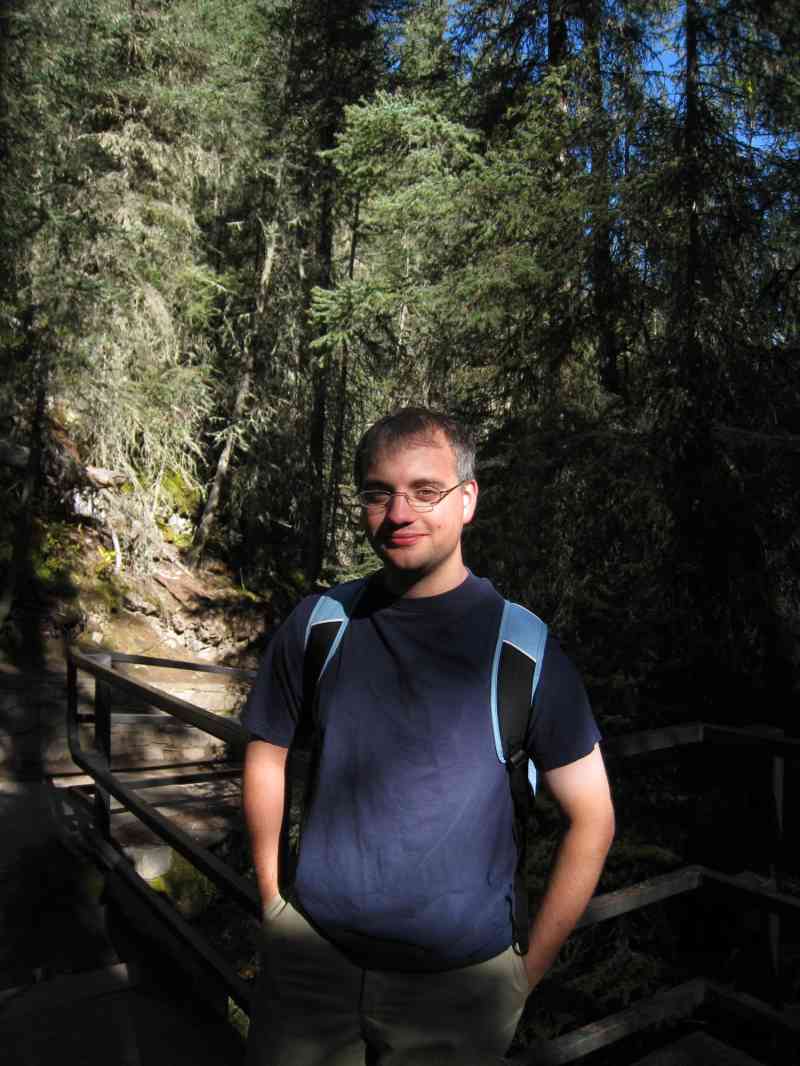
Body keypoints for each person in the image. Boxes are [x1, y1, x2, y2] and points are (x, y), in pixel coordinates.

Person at [242, 407, 614, 1066]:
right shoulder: (321, 624)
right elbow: (267, 751)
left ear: (467, 500)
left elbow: (593, 817)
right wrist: (273, 900)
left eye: (425, 491)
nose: (398, 513)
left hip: (459, 991)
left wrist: (524, 974)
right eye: (378, 493)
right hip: (310, 965)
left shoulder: (523, 649)